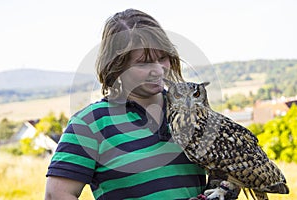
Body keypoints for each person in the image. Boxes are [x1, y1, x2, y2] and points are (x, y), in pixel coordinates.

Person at [45, 8, 207, 200]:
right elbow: (56, 194)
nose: (158, 70)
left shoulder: (194, 112)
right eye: (144, 63)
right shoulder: (90, 123)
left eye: (162, 58)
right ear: (117, 66)